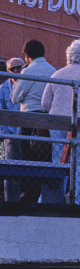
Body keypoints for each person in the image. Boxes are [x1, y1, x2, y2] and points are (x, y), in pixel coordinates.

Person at [41, 39, 80, 205]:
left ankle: (55, 199)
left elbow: (45, 103)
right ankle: (79, 201)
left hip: (58, 123)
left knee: (59, 160)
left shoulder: (57, 74)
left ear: (69, 55)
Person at [10, 40, 56, 203]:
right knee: (45, 160)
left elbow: (15, 98)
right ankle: (43, 197)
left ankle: (29, 196)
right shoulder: (53, 71)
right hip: (47, 122)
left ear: (27, 55)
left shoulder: (28, 71)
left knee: (27, 160)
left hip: (29, 119)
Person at [1, 58, 25, 202]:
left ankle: (27, 200)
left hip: (27, 135)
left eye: (19, 68)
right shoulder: (2, 89)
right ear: (8, 71)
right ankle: (11, 201)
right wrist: (6, 133)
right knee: (11, 168)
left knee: (28, 168)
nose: (17, 71)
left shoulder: (27, 85)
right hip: (11, 136)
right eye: (13, 68)